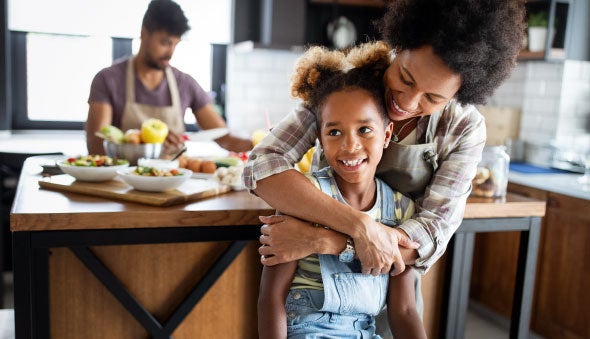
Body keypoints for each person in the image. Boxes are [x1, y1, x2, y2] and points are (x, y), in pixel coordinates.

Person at [244, 0, 524, 297]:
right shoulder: (345, 84)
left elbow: (432, 233)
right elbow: (261, 165)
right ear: (399, 45)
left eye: (432, 97)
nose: (406, 102)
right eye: (405, 77)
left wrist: (326, 241)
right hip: (315, 283)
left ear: (460, 94)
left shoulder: (463, 127)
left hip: (394, 284)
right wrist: (358, 225)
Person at [258, 42, 426, 339]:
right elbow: (271, 300)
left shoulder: (402, 209)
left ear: (387, 134)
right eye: (334, 132)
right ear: (319, 140)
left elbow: (404, 311)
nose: (350, 145)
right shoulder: (303, 198)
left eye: (364, 130)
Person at [85, 0, 252, 156]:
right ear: (144, 34)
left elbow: (224, 137)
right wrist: (148, 143)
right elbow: (96, 145)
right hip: (122, 185)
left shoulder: (185, 84)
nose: (170, 52)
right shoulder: (108, 79)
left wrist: (263, 143)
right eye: (165, 43)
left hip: (173, 182)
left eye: (175, 44)